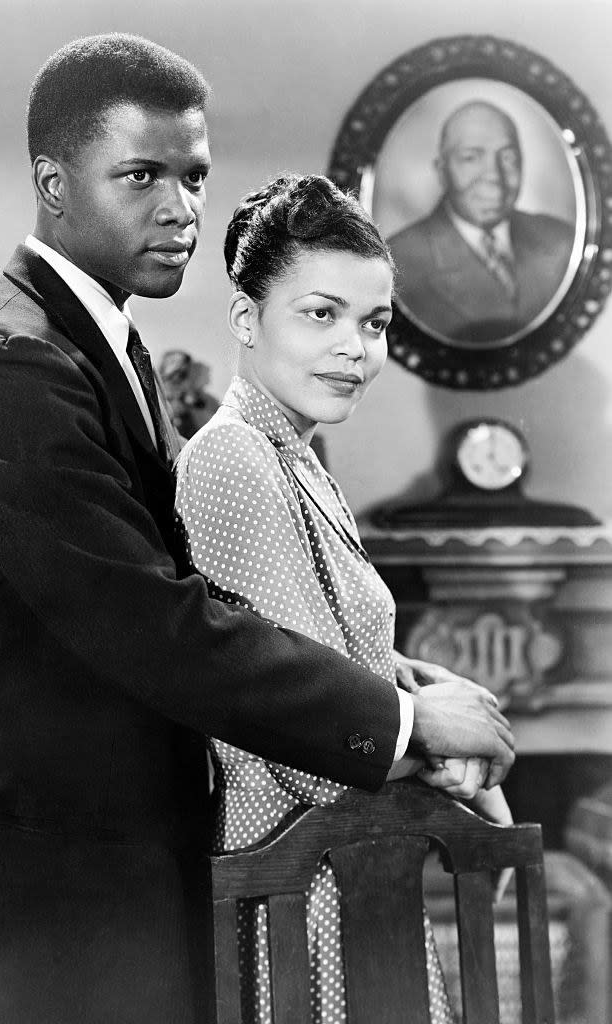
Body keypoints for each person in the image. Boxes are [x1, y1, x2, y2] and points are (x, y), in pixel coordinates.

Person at [0, 35, 515, 1024]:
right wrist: (403, 727)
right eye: (140, 174)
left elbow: (199, 594)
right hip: (54, 878)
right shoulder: (8, 363)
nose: (181, 207)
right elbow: (151, 619)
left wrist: (390, 681)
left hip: (125, 858)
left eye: (192, 175)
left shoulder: (104, 348)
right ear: (52, 182)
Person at [174, 173, 513, 1023]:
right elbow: (298, 723)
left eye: (374, 323)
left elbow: (341, 652)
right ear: (247, 320)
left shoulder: (295, 452)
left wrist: (432, 696)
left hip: (348, 863)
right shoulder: (235, 459)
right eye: (321, 314)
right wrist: (459, 760)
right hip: (297, 877)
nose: (356, 348)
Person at [388, 100, 575, 343]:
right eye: (471, 158)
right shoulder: (398, 263)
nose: (494, 175)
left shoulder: (563, 241)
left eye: (507, 157)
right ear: (442, 172)